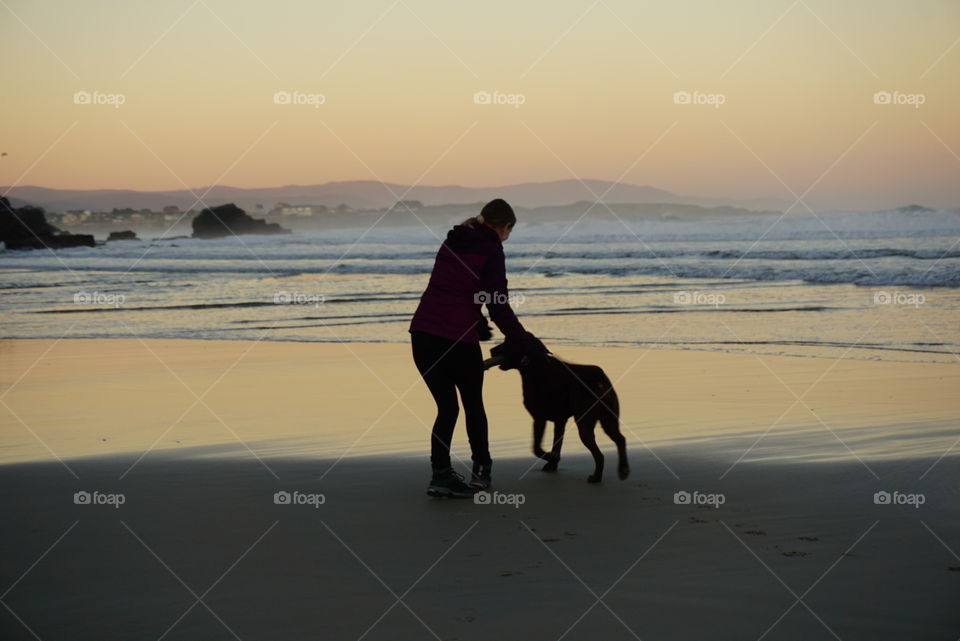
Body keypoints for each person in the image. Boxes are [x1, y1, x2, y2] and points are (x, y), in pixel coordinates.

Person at [410, 198, 533, 498]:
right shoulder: (492, 249)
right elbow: (497, 302)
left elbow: (452, 289)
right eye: (509, 231)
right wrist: (521, 337)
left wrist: (476, 320)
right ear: (505, 227)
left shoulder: (452, 241)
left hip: (423, 334)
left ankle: (440, 476)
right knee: (472, 404)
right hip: (456, 340)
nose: (507, 237)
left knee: (447, 407)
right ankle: (482, 470)